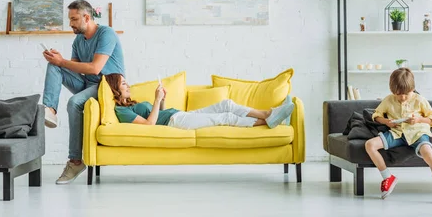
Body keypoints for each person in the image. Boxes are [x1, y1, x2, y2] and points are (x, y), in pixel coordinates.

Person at [42, 0, 125, 184]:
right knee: (54, 67)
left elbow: (95, 68)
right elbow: (76, 70)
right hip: (88, 84)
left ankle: (75, 161)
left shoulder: (106, 34)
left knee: (74, 102)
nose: (70, 23)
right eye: (70, 19)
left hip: (107, 86)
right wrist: (57, 60)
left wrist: (62, 61)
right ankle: (50, 110)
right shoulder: (78, 40)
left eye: (74, 19)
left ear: (86, 17)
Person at [364, 68, 432, 205]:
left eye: (406, 94)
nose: (402, 97)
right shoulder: (388, 100)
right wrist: (386, 121)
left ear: (413, 88)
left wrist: (419, 120)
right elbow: (376, 115)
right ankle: (388, 177)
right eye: (398, 94)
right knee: (370, 145)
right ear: (393, 91)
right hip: (397, 133)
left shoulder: (420, 100)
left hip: (418, 133)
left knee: (428, 153)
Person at [104, 74, 293, 129]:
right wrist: (155, 100)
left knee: (226, 104)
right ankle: (270, 119)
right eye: (123, 83)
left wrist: (162, 99)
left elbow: (157, 113)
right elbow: (150, 123)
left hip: (177, 114)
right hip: (175, 122)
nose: (127, 85)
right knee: (225, 117)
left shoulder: (131, 104)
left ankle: (269, 114)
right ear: (114, 88)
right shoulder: (122, 111)